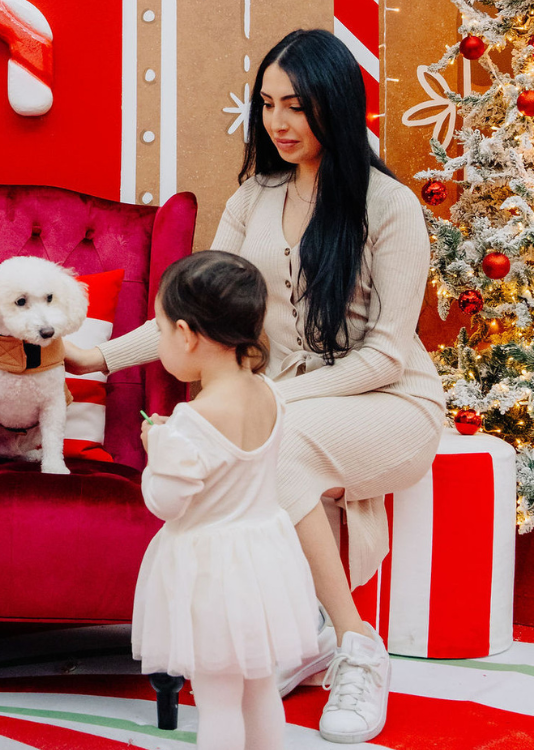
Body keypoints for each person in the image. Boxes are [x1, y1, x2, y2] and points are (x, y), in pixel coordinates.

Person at [69, 29, 444, 744]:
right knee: (269, 443)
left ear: (335, 104)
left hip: (392, 403)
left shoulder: (391, 208)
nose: (279, 123)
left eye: (297, 106)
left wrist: (267, 405)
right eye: (268, 104)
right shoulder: (254, 195)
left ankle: (357, 646)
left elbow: (388, 358)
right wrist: (99, 358)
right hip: (291, 400)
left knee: (281, 443)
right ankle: (293, 636)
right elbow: (201, 315)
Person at [133, 251, 319, 750]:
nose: (160, 340)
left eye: (159, 328)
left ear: (188, 334)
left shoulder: (190, 422)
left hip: (212, 579)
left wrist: (157, 450)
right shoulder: (268, 394)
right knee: (260, 690)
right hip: (263, 567)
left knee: (216, 701)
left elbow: (166, 503)